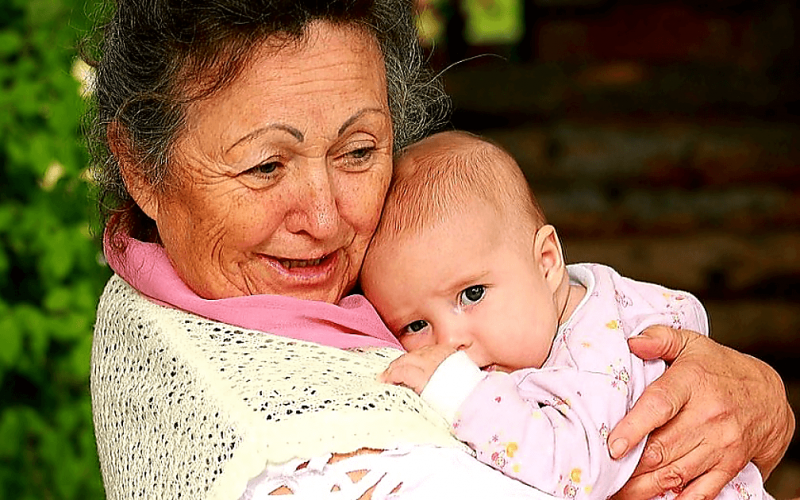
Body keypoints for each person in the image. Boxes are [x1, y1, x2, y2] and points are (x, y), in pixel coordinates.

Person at [85, 0, 794, 499]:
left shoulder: (294, 286)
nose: (327, 219)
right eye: (266, 166)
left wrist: (751, 391)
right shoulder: (258, 423)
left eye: (358, 151)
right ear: (144, 168)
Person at [360, 131, 772, 500]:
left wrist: (461, 393)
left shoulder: (596, 351)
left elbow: (579, 474)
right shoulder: (576, 315)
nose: (450, 342)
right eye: (415, 325)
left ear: (546, 261)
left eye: (472, 294)